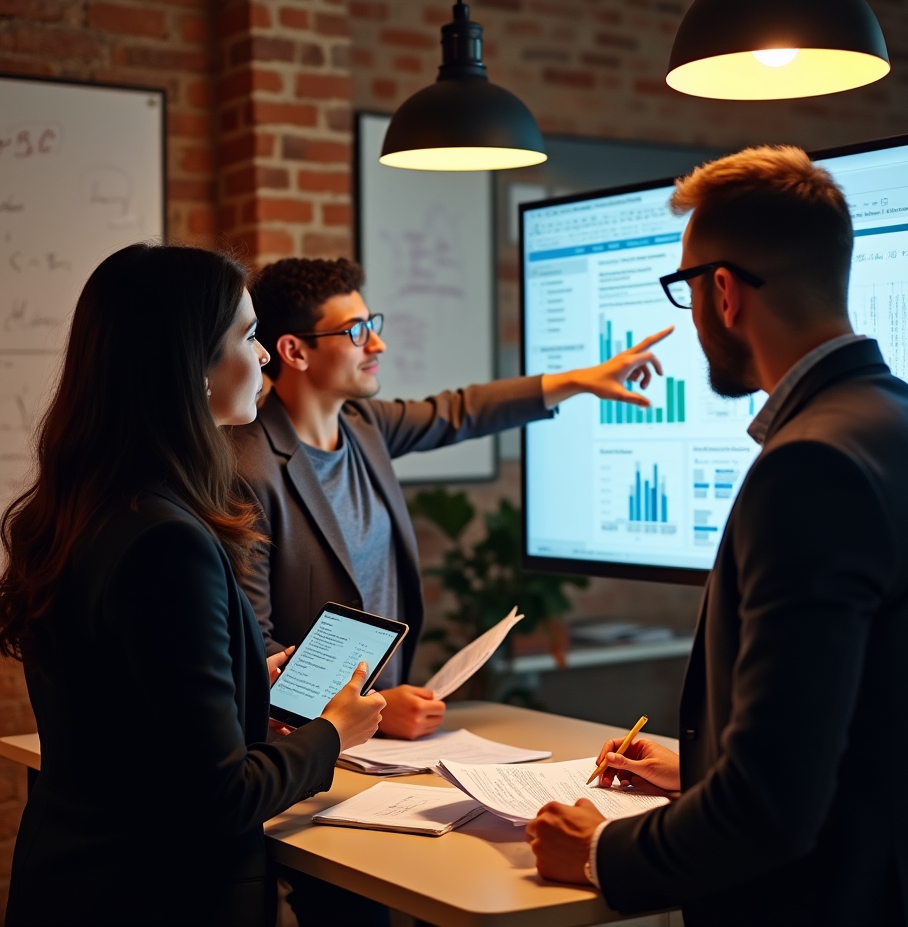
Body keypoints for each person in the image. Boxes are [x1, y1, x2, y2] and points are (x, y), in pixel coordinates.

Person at [524, 146, 908, 927]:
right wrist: (712, 769)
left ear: (723, 292)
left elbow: (771, 811)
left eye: (684, 288)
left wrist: (603, 852)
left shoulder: (811, 467)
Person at [0, 244, 387, 927]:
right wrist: (333, 730)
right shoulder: (167, 542)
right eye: (246, 335)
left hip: (70, 881)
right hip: (153, 897)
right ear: (190, 366)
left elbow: (122, 711)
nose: (264, 355)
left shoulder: (83, 508)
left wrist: (246, 677)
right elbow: (220, 796)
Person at [231, 256, 669, 742]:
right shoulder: (247, 469)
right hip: (301, 744)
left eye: (372, 325)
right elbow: (255, 645)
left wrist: (581, 381)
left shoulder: (364, 426)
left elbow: (460, 411)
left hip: (381, 739)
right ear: (295, 351)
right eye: (356, 331)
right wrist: (360, 704)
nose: (377, 343)